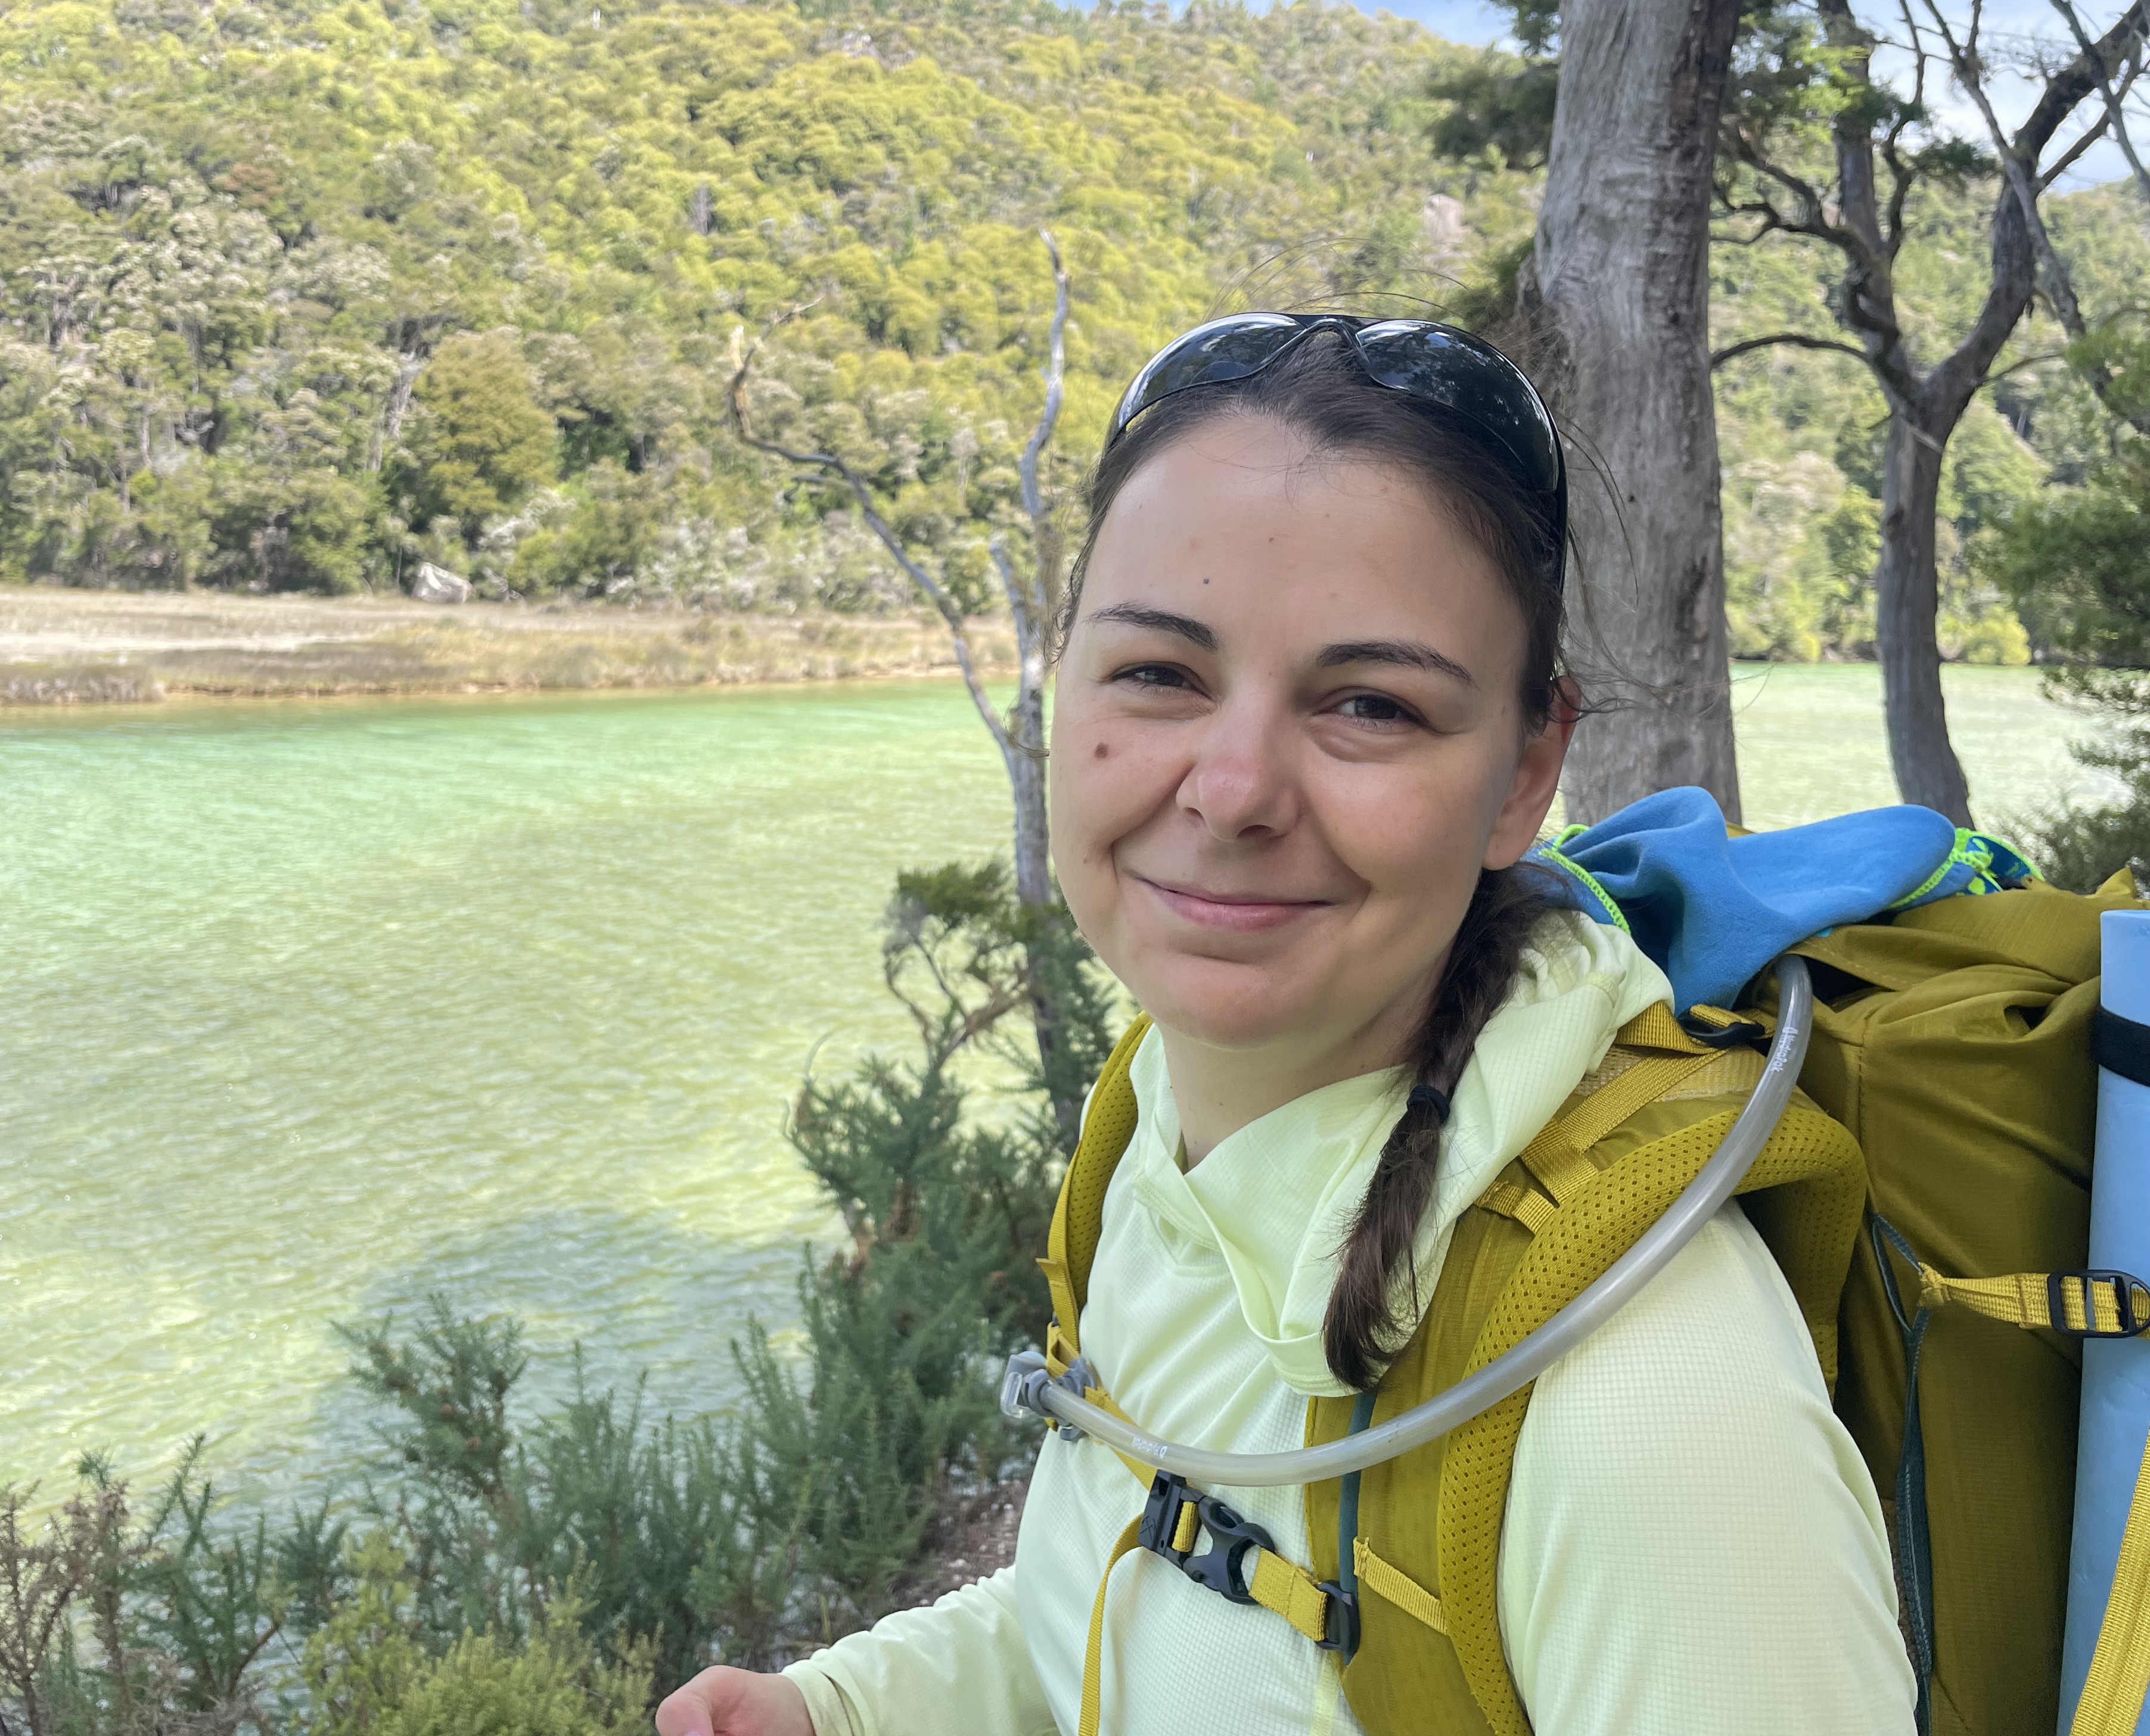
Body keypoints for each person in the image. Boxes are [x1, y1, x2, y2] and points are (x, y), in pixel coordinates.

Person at [655, 313, 1917, 1735]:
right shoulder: (1154, 1128)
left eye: (1370, 703)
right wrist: (840, 1708)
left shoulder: (1646, 1397)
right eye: (1159, 674)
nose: (1235, 788)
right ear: (1062, 685)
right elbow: (1144, 1576)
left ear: (1524, 772)